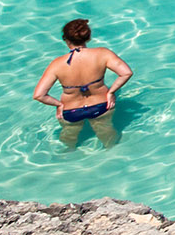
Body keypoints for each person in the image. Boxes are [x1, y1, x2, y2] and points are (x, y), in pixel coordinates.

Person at [32, 18, 132, 148]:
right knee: (107, 134)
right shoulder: (102, 53)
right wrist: (111, 92)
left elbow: (39, 95)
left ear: (66, 40)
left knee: (69, 136)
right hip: (101, 105)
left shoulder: (56, 64)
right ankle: (113, 156)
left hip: (71, 111)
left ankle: (69, 155)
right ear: (88, 37)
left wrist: (58, 105)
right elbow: (126, 73)